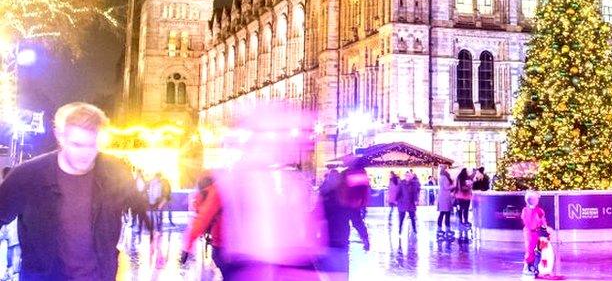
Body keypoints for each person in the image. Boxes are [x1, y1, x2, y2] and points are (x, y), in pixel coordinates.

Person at [0, 102, 152, 280]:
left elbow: (134, 201)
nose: (85, 153)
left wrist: (151, 229)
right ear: (60, 137)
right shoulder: (28, 175)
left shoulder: (114, 170)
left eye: (92, 145)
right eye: (77, 145)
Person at [180, 105, 320, 279]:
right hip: (246, 258)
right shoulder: (235, 180)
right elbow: (205, 216)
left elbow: (297, 223)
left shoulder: (284, 179)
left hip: (274, 260)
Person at [340, 159, 371, 251]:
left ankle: (345, 240)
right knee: (357, 222)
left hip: (348, 202)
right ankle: (365, 238)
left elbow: (342, 188)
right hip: (354, 202)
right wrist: (363, 203)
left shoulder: (347, 173)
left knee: (347, 222)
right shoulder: (360, 173)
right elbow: (365, 189)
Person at [520, 191, 548, 276]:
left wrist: (545, 228)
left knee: (539, 250)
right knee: (530, 249)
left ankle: (536, 267)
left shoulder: (539, 210)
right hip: (529, 232)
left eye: (536, 199)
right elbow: (527, 222)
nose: (536, 201)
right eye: (535, 199)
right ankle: (529, 266)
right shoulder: (525, 210)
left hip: (537, 232)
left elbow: (543, 221)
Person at [436, 166, 455, 238]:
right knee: (444, 213)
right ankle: (442, 229)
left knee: (445, 213)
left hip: (444, 197)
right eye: (447, 168)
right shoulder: (444, 177)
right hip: (445, 197)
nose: (448, 170)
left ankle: (444, 229)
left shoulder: (443, 177)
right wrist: (454, 185)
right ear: (445, 170)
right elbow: (446, 187)